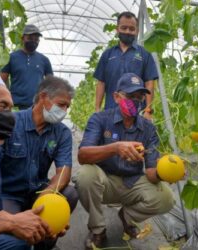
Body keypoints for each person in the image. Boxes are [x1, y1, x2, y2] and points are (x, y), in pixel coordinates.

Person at [75, 73, 175, 250]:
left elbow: (151, 174)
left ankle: (127, 217)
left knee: (166, 198)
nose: (136, 101)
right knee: (85, 175)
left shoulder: (148, 128)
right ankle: (98, 230)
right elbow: (82, 156)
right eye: (130, 96)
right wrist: (114, 148)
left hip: (132, 182)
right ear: (116, 96)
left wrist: (167, 171)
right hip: (104, 181)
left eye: (140, 97)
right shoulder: (100, 119)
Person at [0, 66, 51, 250]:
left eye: (11, 109)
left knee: (18, 244)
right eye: (2, 106)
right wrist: (11, 223)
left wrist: (30, 222)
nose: (10, 117)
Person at [0, 76, 78, 250]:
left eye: (67, 107)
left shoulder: (62, 133)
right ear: (43, 97)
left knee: (69, 193)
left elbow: (63, 171)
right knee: (13, 236)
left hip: (38, 191)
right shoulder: (11, 124)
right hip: (8, 194)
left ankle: (45, 244)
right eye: (61, 104)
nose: (64, 111)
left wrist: (45, 196)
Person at [94, 11, 158, 120]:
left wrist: (148, 110)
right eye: (124, 28)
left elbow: (149, 83)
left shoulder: (144, 54)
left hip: (136, 112)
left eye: (132, 29)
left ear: (137, 31)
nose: (128, 31)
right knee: (111, 137)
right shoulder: (108, 54)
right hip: (111, 111)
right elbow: (101, 83)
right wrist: (97, 109)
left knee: (135, 137)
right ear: (117, 29)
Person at [0, 24, 53, 110]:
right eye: (30, 38)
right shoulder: (12, 57)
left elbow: (51, 84)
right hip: (16, 106)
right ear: (22, 38)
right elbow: (1, 81)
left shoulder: (44, 60)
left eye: (36, 39)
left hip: (37, 106)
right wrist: (6, 100)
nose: (33, 41)